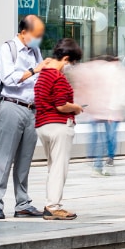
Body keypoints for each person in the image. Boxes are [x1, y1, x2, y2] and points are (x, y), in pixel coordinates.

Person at [0, 16, 52, 220]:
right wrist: (34, 69)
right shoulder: (7, 49)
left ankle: (22, 204)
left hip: (32, 109)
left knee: (25, 159)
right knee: (4, 158)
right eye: (37, 35)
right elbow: (8, 78)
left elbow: (39, 79)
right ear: (24, 32)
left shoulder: (35, 51)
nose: (39, 39)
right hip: (12, 107)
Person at [33, 38, 84, 219]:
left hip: (42, 125)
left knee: (53, 167)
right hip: (59, 126)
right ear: (66, 58)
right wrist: (76, 108)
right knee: (58, 168)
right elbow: (61, 105)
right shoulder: (57, 77)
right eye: (72, 63)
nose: (71, 66)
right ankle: (53, 207)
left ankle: (51, 204)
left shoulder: (43, 75)